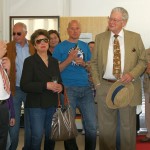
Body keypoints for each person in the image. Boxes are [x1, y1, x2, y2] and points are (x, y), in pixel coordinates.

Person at [90, 7, 146, 150]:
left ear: (124, 22)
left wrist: (132, 74)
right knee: (106, 130)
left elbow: (143, 61)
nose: (111, 22)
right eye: (110, 18)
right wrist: (97, 83)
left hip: (127, 86)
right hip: (105, 87)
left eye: (115, 19)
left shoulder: (135, 37)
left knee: (127, 129)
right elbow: (94, 63)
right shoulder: (100, 38)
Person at [53, 20, 97, 150]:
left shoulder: (84, 46)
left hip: (86, 89)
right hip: (68, 89)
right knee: (69, 126)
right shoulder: (60, 47)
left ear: (80, 30)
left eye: (77, 28)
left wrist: (84, 64)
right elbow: (56, 70)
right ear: (67, 30)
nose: (75, 31)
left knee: (92, 126)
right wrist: (69, 59)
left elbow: (90, 68)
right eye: (72, 28)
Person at [20, 29, 63, 150]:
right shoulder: (29, 61)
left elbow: (59, 81)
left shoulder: (54, 61)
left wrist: (61, 87)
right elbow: (25, 85)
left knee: (50, 136)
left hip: (52, 103)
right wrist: (45, 85)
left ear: (49, 42)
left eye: (45, 40)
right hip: (36, 105)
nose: (43, 43)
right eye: (39, 41)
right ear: (34, 45)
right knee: (37, 136)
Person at [6, 22, 35, 150]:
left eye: (19, 33)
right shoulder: (8, 47)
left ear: (25, 33)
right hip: (15, 90)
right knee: (13, 123)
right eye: (13, 33)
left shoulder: (34, 47)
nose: (16, 36)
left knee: (30, 124)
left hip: (30, 90)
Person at [0, 40, 15, 150]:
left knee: (3, 138)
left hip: (4, 105)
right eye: (3, 47)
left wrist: (8, 70)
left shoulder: (2, 62)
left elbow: (5, 85)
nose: (5, 49)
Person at [140, 48, 150, 142]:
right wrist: (146, 68)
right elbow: (139, 69)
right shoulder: (145, 53)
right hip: (148, 87)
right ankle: (149, 134)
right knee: (148, 112)